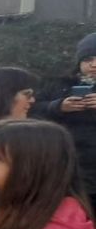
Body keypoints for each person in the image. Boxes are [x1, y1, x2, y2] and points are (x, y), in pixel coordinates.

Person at [34, 32, 96, 208]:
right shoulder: (59, 85)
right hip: (65, 168)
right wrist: (58, 106)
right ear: (79, 63)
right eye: (88, 59)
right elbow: (30, 110)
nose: (94, 65)